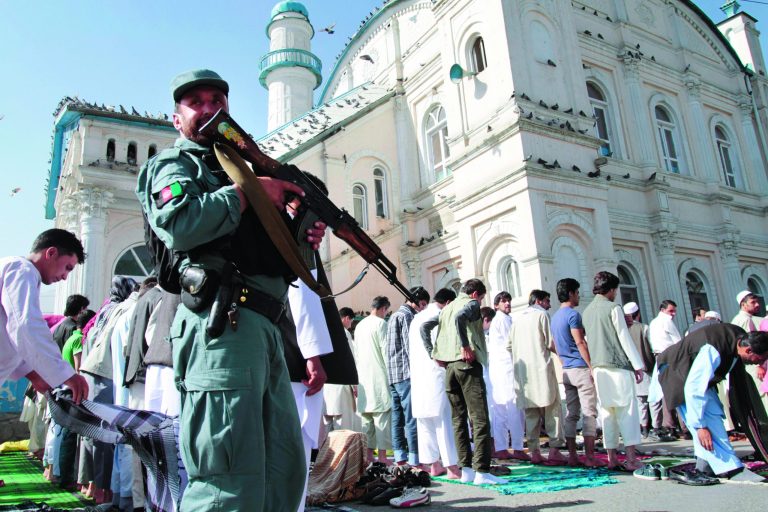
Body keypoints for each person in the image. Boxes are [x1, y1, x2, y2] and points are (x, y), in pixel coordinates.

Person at [136, 69, 324, 511]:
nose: (208, 108)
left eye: (217, 99)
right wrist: (250, 192)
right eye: (195, 101)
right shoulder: (174, 165)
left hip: (266, 326)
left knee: (283, 468)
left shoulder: (241, 166)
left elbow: (269, 253)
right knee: (227, 475)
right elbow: (181, 224)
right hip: (221, 326)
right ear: (176, 118)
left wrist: (302, 237)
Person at [649, 324, 768, 482]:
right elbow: (693, 388)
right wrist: (700, 426)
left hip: (696, 378)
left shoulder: (739, 338)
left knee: (714, 416)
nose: (759, 363)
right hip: (677, 375)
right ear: (748, 350)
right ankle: (732, 470)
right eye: (760, 359)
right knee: (706, 427)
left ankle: (704, 468)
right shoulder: (714, 349)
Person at [429, 279, 505, 485]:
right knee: (479, 418)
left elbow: (426, 327)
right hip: (466, 364)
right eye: (480, 299)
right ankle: (482, 470)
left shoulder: (447, 307)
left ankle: (467, 470)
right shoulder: (469, 305)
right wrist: (465, 345)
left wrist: (434, 352)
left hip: (450, 368)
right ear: (475, 295)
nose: (480, 303)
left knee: (458, 419)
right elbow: (462, 318)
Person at [0, 229, 88, 402]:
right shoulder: (22, 269)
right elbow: (25, 325)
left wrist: (32, 374)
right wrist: (65, 374)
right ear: (51, 252)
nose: (64, 277)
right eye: (67, 268)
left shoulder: (18, 270)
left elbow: (9, 334)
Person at [581, 271, 644, 471]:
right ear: (611, 289)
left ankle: (612, 458)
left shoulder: (588, 311)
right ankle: (632, 458)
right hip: (617, 366)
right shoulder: (613, 308)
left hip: (599, 368)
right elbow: (623, 337)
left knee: (607, 412)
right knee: (627, 411)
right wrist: (637, 364)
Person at [508, 289, 567, 465]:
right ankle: (555, 449)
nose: (549, 305)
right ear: (540, 301)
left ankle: (534, 452)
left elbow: (509, 346)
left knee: (531, 415)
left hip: (523, 375)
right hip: (541, 370)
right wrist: (564, 357)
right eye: (547, 301)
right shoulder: (542, 316)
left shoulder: (517, 320)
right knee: (552, 411)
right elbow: (550, 342)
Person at [551, 279, 600, 467]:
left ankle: (572, 455)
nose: (578, 296)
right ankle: (589, 456)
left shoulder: (555, 317)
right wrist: (591, 366)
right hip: (580, 367)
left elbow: (552, 344)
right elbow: (580, 342)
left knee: (571, 413)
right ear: (571, 293)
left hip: (567, 370)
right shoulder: (573, 315)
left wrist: (563, 359)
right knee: (589, 412)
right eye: (577, 292)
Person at [412, 289, 460, 478]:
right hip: (435, 373)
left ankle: (433, 464)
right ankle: (451, 467)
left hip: (418, 375)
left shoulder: (417, 318)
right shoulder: (439, 315)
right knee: (443, 420)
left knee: (425, 422)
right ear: (449, 303)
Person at [385, 286, 430, 467]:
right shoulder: (408, 316)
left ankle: (400, 456)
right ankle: (415, 458)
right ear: (418, 301)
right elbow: (410, 347)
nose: (423, 308)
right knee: (411, 417)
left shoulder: (393, 316)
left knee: (397, 418)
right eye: (423, 304)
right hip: (406, 373)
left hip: (393, 374)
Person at [486, 291, 527, 461]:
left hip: (498, 370)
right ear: (496, 305)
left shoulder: (502, 320)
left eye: (508, 300)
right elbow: (512, 345)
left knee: (501, 409)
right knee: (514, 409)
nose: (507, 303)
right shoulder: (502, 320)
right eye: (503, 301)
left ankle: (502, 446)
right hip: (507, 369)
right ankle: (517, 447)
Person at [354, 296, 393, 464]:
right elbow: (386, 352)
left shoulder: (359, 325)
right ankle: (383, 457)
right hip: (378, 377)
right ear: (383, 308)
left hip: (363, 378)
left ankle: (369, 456)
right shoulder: (381, 324)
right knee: (382, 418)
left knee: (367, 420)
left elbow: (356, 354)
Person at [648, 300, 689, 440]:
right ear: (663, 310)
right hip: (671, 357)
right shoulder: (666, 322)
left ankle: (669, 425)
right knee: (677, 391)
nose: (673, 314)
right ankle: (684, 426)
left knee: (665, 392)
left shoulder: (653, 323)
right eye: (671, 311)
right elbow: (678, 342)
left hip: (659, 357)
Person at [323, 307, 360, 432]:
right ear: (346, 318)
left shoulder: (325, 331)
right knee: (342, 429)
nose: (350, 325)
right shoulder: (344, 332)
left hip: (326, 387)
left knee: (327, 429)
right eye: (351, 321)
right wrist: (355, 384)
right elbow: (351, 359)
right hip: (342, 384)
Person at [622, 302, 655, 440]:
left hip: (628, 371)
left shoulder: (623, 330)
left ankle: (642, 428)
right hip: (644, 368)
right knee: (652, 399)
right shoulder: (644, 328)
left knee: (638, 401)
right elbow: (651, 348)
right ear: (638, 314)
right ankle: (654, 428)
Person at [731, 291, 768, 415]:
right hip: (752, 365)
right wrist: (759, 366)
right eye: (753, 302)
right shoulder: (745, 320)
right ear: (743, 304)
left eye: (757, 302)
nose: (757, 305)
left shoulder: (743, 318)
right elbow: (752, 346)